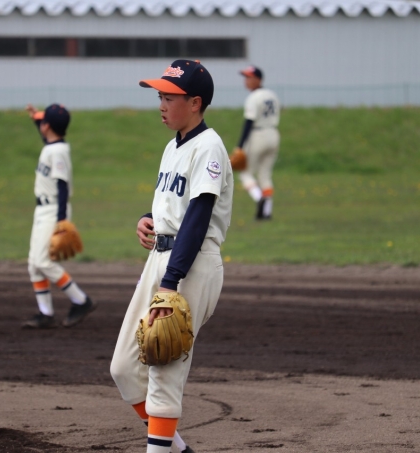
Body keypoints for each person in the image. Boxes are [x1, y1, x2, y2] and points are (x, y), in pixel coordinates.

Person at [110, 60, 233, 453]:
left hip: (191, 264)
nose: (161, 104)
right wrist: (148, 219)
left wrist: (170, 283)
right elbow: (173, 206)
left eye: (169, 97)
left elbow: (198, 216)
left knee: (163, 371)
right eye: (160, 96)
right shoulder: (173, 145)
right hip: (162, 260)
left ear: (195, 103)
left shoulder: (208, 146)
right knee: (124, 368)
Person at [22, 103, 96, 329]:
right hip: (43, 210)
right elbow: (47, 135)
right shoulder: (52, 146)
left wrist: (62, 220)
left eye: (43, 122)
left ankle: (81, 301)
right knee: (34, 264)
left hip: (53, 211)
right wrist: (36, 119)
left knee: (42, 262)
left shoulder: (58, 152)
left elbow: (62, 186)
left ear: (48, 126)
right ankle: (45, 313)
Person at [234, 65, 281, 220]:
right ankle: (266, 212)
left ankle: (259, 197)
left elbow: (249, 122)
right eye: (245, 77)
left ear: (258, 79)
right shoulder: (272, 95)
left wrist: (240, 146)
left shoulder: (253, 97)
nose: (246, 81)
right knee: (265, 175)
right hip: (273, 134)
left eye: (249, 77)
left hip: (258, 135)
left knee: (245, 173)